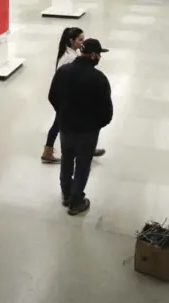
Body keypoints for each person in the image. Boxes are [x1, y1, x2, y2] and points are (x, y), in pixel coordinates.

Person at [48, 38, 113, 215]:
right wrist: (98, 124)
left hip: (66, 126)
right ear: (92, 55)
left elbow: (52, 96)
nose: (100, 57)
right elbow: (107, 110)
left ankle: (66, 193)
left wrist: (62, 114)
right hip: (87, 130)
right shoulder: (99, 79)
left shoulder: (63, 72)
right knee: (83, 164)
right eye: (99, 54)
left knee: (67, 158)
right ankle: (77, 201)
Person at [41, 27, 106, 164]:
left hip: (65, 97)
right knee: (61, 124)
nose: (82, 42)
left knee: (59, 123)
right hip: (67, 98)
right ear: (72, 40)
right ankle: (51, 151)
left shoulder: (68, 53)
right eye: (80, 40)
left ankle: (49, 150)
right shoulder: (70, 57)